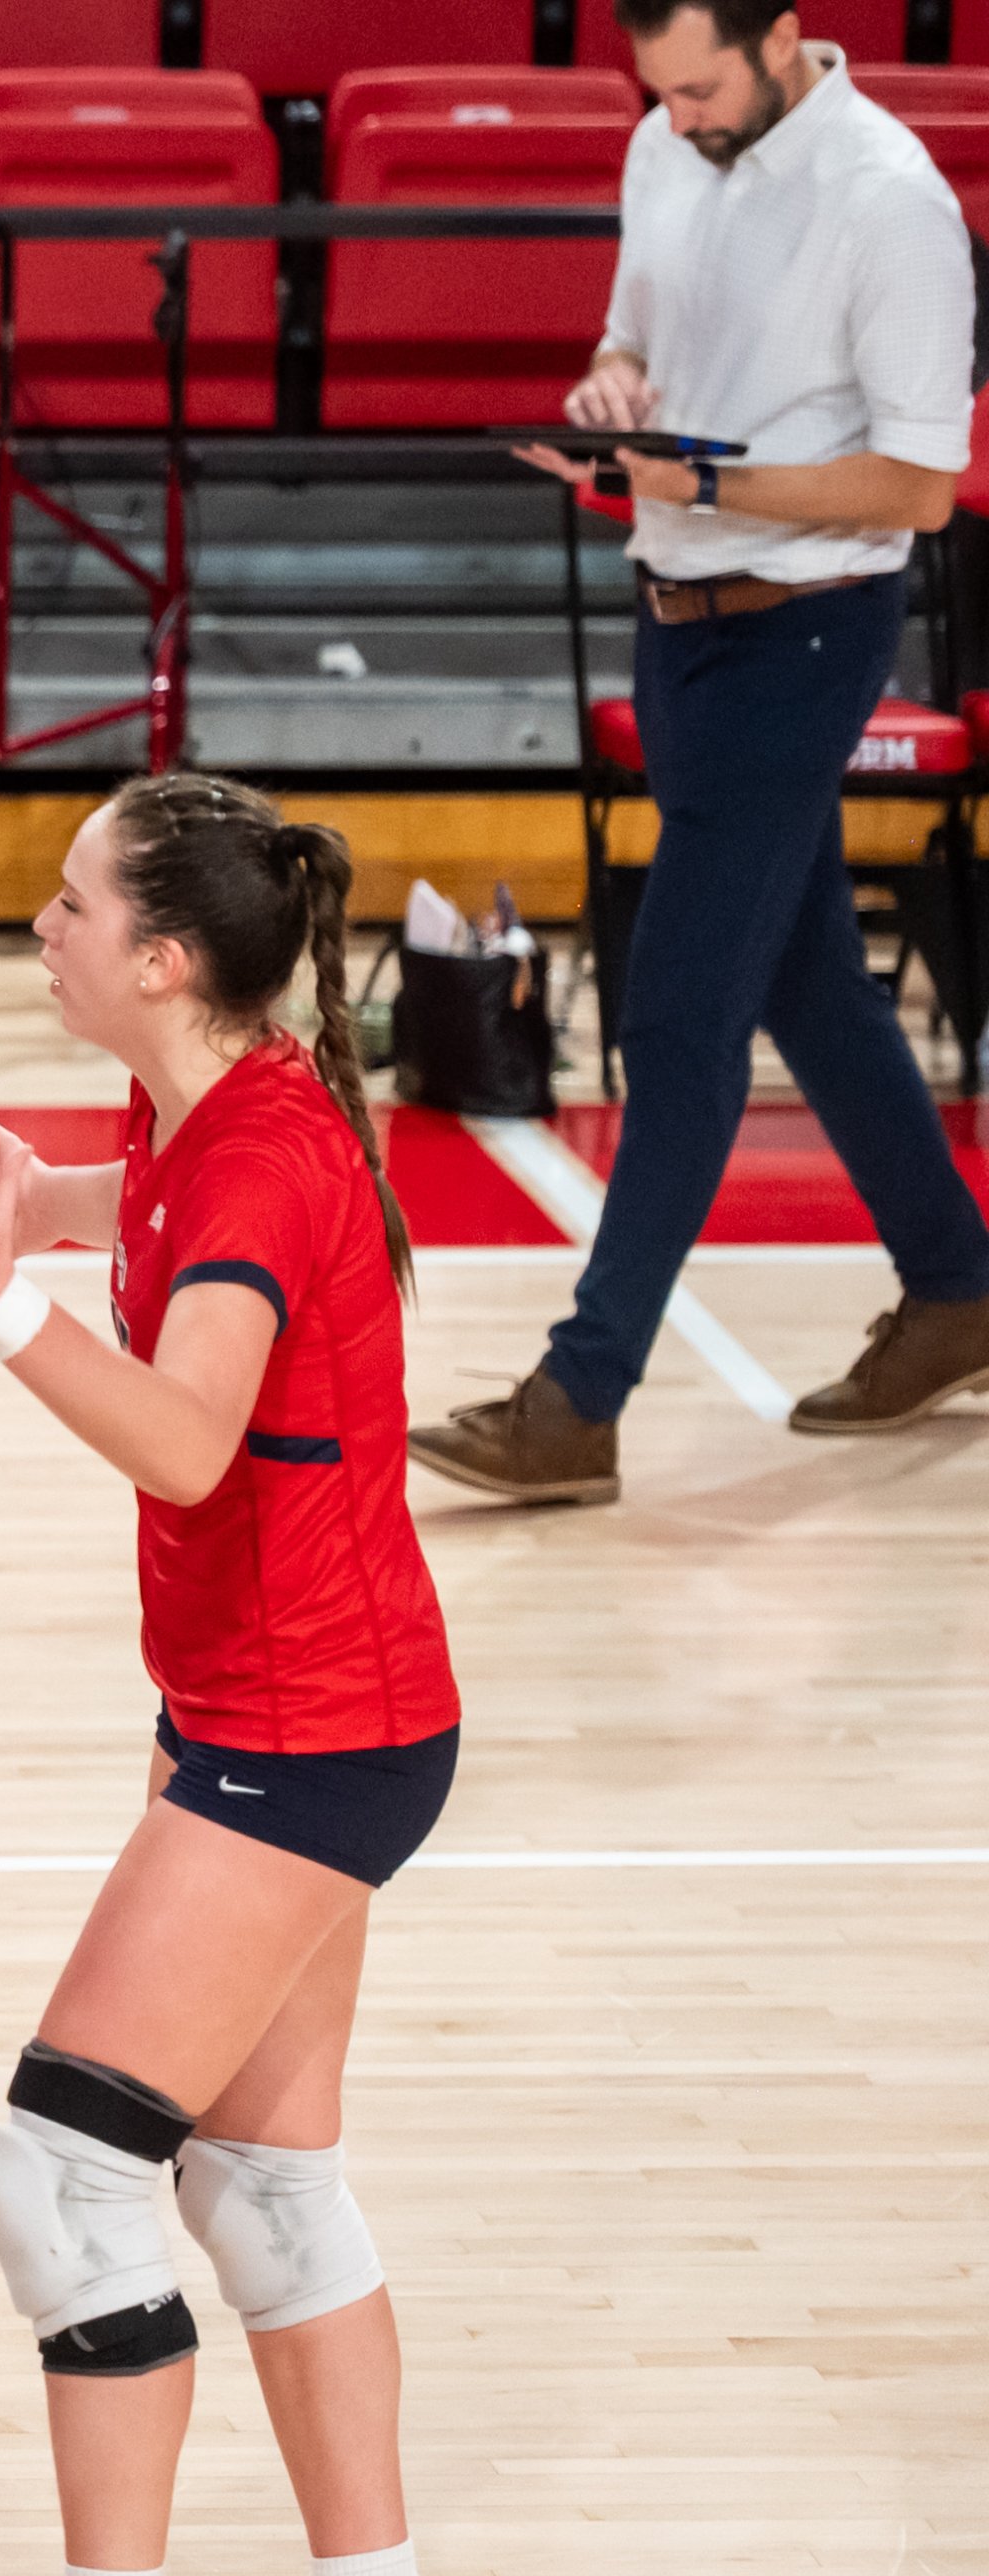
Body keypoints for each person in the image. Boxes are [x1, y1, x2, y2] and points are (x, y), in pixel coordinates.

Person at [0, 774, 484, 2576]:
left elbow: (187, 1434)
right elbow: (175, 1212)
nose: (38, 925)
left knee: (55, 2173)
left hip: (306, 1733)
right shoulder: (201, 1107)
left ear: (164, 957)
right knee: (259, 2184)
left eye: (64, 903)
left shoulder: (259, 1158)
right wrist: (37, 1205)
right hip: (279, 1710)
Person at [438, 0, 989, 1502]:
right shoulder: (661, 142)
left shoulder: (892, 201)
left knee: (682, 1012)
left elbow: (923, 483)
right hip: (676, 616)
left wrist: (708, 481)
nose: (675, 118)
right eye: (656, 93)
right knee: (807, 977)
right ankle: (958, 1283)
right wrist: (616, 387)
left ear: (785, 35)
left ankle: (580, 1393)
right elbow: (636, 338)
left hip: (810, 632)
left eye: (698, 87)